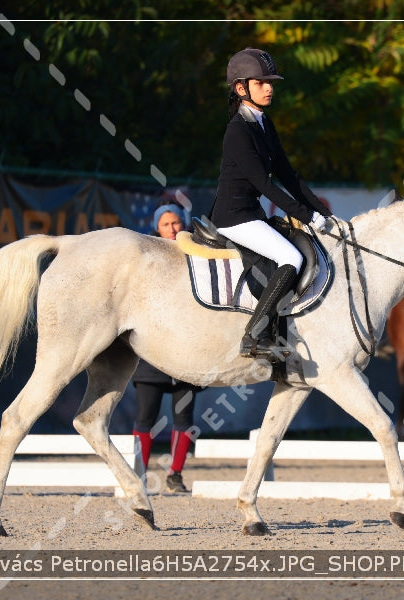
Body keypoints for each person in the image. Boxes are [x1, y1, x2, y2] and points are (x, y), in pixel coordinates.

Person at [209, 48, 334, 358]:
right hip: (232, 217)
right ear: (241, 88)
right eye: (261, 82)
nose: (269, 88)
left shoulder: (264, 124)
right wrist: (305, 215)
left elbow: (288, 176)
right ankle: (254, 335)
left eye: (270, 82)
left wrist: (322, 212)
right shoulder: (238, 131)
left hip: (251, 214)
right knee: (291, 258)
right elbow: (264, 184)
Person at [132, 202, 201, 493]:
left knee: (184, 419)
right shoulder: (145, 258)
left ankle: (175, 475)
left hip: (186, 352)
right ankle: (138, 477)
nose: (173, 229)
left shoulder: (196, 256)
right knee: (144, 418)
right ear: (156, 228)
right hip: (153, 352)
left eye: (176, 223)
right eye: (166, 224)